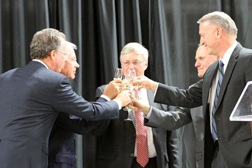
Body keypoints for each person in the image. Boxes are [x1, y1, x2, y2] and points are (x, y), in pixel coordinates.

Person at [133, 11, 252, 168]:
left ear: (218, 32)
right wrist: (152, 85)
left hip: (244, 157)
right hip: (216, 157)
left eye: (203, 35)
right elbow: (188, 97)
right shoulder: (213, 70)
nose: (201, 41)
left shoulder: (248, 59)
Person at [0, 28, 131, 168]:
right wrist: (118, 101)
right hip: (33, 161)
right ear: (54, 54)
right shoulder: (53, 81)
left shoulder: (5, 77)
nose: (73, 62)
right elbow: (91, 113)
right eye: (65, 55)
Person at [91, 42, 179, 168]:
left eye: (135, 62)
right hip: (119, 163)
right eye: (126, 63)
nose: (130, 67)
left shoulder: (159, 92)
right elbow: (97, 130)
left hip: (155, 163)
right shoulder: (107, 91)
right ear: (121, 65)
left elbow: (172, 137)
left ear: (146, 64)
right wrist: (111, 102)